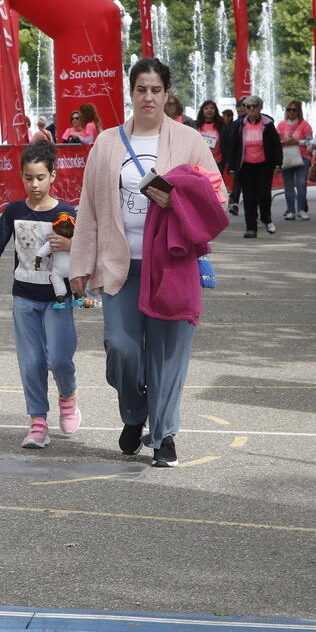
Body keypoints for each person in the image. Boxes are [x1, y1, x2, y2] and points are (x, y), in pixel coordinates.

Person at [69, 58, 223, 467]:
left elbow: (217, 196)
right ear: (131, 93)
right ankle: (136, 414)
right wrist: (80, 264)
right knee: (120, 347)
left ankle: (165, 434)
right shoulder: (106, 143)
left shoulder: (189, 140)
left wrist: (178, 201)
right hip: (121, 265)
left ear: (167, 93)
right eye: (141, 90)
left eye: (156, 90)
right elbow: (89, 208)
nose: (149, 97)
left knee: (168, 353)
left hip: (171, 265)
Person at [0, 142, 80, 449]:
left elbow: (83, 252)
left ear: (53, 176)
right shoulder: (14, 211)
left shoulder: (66, 212)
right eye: (29, 177)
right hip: (24, 298)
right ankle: (38, 422)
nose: (34, 184)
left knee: (58, 358)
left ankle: (68, 397)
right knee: (31, 362)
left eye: (41, 177)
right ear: (21, 176)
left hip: (58, 299)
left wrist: (72, 246)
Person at [226, 95, 282, 238]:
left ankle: (265, 217)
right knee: (249, 196)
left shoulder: (268, 124)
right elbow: (233, 147)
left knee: (264, 194)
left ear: (260, 108)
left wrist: (278, 163)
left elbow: (276, 145)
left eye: (254, 106)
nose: (251, 109)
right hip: (246, 166)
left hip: (264, 165)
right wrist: (232, 166)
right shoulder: (240, 125)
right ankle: (251, 227)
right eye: (248, 106)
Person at [276, 100, 313, 221]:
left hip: (302, 156)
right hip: (286, 156)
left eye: (294, 110)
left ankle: (301, 209)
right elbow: (276, 142)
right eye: (289, 109)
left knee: (301, 183)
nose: (291, 112)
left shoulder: (305, 125)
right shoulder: (281, 125)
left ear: (299, 111)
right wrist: (284, 142)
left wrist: (297, 142)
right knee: (288, 185)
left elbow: (310, 141)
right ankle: (291, 210)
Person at [194, 100, 227, 173]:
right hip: (200, 163)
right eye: (206, 108)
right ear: (202, 111)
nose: (209, 110)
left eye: (212, 108)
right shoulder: (196, 125)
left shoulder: (221, 126)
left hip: (217, 162)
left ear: (215, 110)